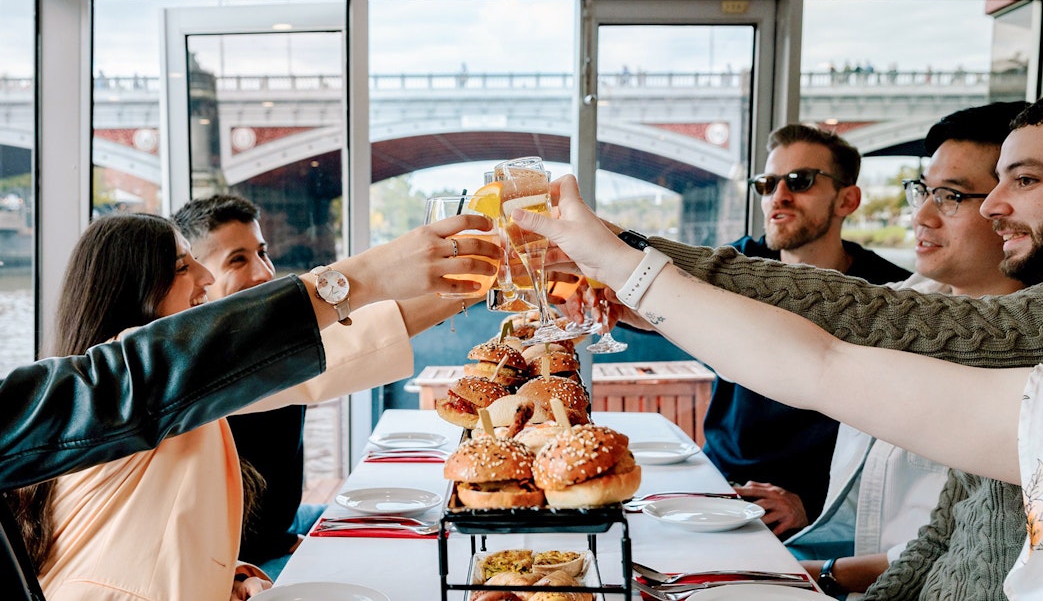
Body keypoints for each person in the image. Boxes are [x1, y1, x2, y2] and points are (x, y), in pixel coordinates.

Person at [516, 174, 1037, 598]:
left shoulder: (998, 333)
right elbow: (939, 541)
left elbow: (826, 359)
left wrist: (630, 261)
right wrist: (630, 260)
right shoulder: (931, 299)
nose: (994, 204)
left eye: (1027, 179)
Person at [10, 211, 498, 601]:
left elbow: (342, 347)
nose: (204, 276)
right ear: (130, 290)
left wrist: (484, 279)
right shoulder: (136, 384)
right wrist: (372, 274)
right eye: (182, 267)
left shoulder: (160, 390)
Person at [784, 102, 1028, 600]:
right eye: (923, 191)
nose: (921, 216)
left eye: (951, 196)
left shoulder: (1022, 364)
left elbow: (953, 544)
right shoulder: (903, 301)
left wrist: (819, 574)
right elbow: (794, 322)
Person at [173, 194, 469, 579]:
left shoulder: (260, 342)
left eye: (262, 253)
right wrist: (472, 285)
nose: (263, 273)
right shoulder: (197, 368)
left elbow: (355, 330)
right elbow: (345, 345)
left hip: (282, 529)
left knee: (417, 523)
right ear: (200, 280)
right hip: (243, 558)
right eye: (238, 260)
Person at [705, 124, 909, 537]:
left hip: (809, 517)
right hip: (714, 484)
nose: (778, 196)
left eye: (799, 181)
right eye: (767, 184)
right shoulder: (740, 263)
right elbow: (663, 290)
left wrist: (813, 505)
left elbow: (897, 433)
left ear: (847, 200)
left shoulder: (889, 294)